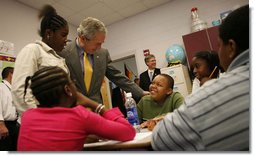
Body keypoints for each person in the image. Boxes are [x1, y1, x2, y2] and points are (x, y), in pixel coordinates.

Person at [151, 5, 249, 151]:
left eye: (219, 45)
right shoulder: (199, 84)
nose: (195, 71)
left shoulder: (211, 92)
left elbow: (161, 140)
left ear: (231, 47)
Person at [17, 66, 135, 151]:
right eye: (72, 82)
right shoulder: (79, 115)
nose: (75, 85)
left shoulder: (28, 116)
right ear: (68, 90)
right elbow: (128, 132)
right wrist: (95, 105)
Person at [60, 17, 147, 104]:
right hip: (73, 108)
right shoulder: (62, 52)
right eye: (97, 43)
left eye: (102, 43)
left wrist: (140, 92)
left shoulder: (103, 54)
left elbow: (117, 76)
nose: (100, 47)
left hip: (96, 107)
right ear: (83, 38)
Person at [11, 5, 69, 120]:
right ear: (49, 33)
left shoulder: (59, 58)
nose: (66, 40)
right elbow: (20, 91)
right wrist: (40, 120)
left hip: (60, 119)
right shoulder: (33, 50)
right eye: (63, 35)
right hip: (42, 122)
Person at [0, 67, 19, 151]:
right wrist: (1, 125)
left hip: (14, 124)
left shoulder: (11, 89)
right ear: (10, 74)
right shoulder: (1, 88)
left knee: (13, 149)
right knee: (5, 149)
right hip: (5, 125)